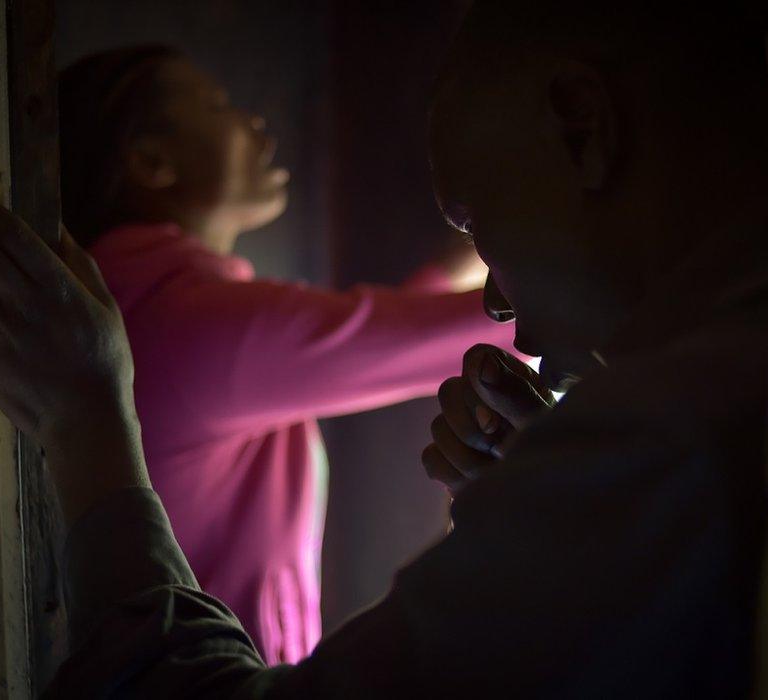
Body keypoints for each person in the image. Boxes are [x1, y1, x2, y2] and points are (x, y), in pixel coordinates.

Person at [0, 1, 768, 696]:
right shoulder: (766, 380)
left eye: (478, 220)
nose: (492, 296)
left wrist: (85, 422)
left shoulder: (669, 443)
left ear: (583, 128)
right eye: (470, 227)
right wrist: (548, 506)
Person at [57, 46, 517, 663]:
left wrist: (463, 258)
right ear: (150, 161)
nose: (254, 123)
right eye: (218, 107)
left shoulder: (142, 299)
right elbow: (428, 340)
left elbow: (370, 344)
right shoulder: (187, 319)